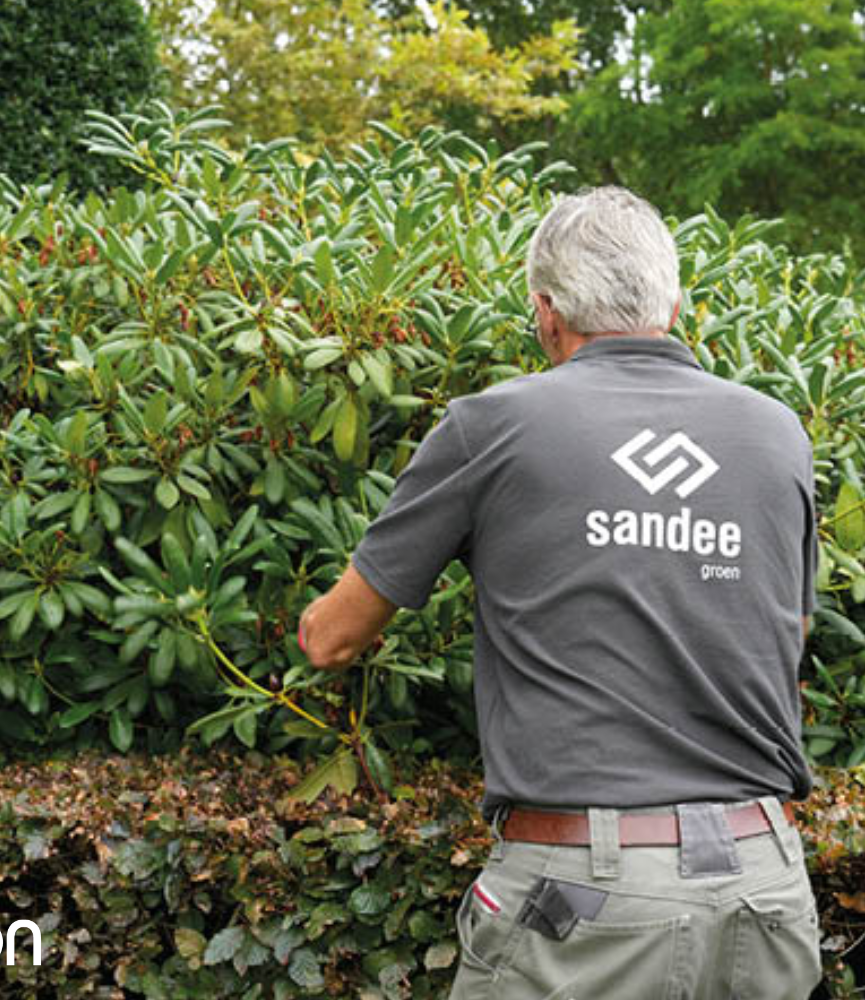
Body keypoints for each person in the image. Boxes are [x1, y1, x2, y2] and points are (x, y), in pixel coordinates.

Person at [297, 186, 822, 1000]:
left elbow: (332, 639)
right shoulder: (776, 431)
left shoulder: (496, 425)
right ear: (673, 305)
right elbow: (790, 634)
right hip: (765, 884)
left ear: (546, 312)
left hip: (583, 898)